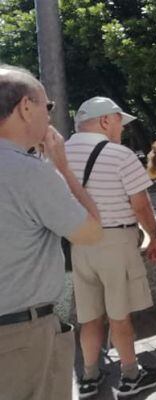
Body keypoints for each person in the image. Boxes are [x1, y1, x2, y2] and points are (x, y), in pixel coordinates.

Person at [0, 65, 102, 400]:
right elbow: (90, 231)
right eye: (48, 106)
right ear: (26, 107)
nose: (50, 115)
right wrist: (62, 166)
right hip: (20, 336)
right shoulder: (29, 173)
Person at [66, 96, 156, 398]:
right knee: (119, 314)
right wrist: (154, 237)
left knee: (89, 315)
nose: (121, 128)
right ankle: (130, 375)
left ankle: (89, 376)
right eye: (119, 120)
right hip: (115, 241)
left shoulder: (59, 154)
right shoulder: (119, 155)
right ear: (106, 120)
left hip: (79, 242)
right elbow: (140, 205)